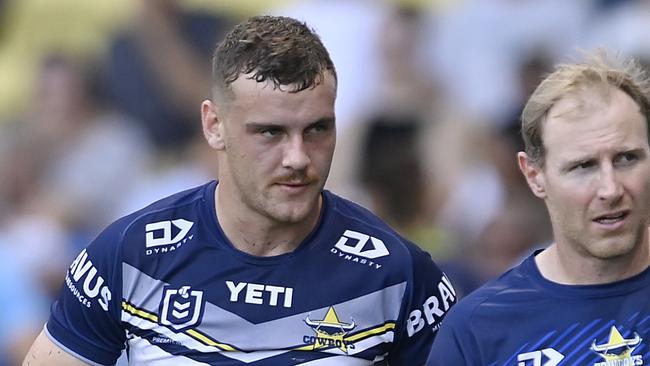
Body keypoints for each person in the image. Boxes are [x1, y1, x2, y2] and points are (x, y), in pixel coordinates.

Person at [24, 15, 455, 365]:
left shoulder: (398, 273)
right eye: (270, 132)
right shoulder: (130, 254)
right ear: (214, 126)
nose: (298, 158)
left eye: (318, 129)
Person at [427, 50, 650, 365]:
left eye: (627, 158)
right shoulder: (478, 329)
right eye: (583, 166)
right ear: (534, 175)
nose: (610, 189)